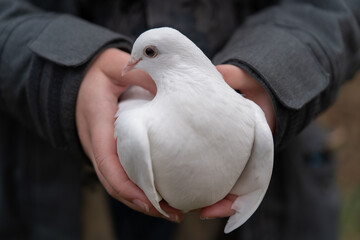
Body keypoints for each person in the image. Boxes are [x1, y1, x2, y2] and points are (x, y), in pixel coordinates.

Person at [0, 0, 359, 239]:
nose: (132, 63)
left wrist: (274, 70)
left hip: (278, 196)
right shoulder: (133, 127)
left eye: (149, 54)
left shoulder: (253, 123)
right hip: (60, 184)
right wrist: (64, 78)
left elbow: (337, 8)